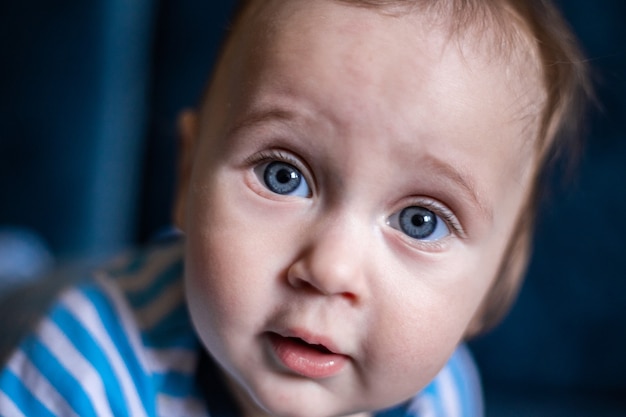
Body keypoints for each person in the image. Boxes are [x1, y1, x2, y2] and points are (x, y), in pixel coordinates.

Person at [0, 0, 590, 416]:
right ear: (187, 176)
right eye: (283, 176)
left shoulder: (441, 394)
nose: (330, 269)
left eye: (420, 220)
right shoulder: (80, 371)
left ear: (496, 285)